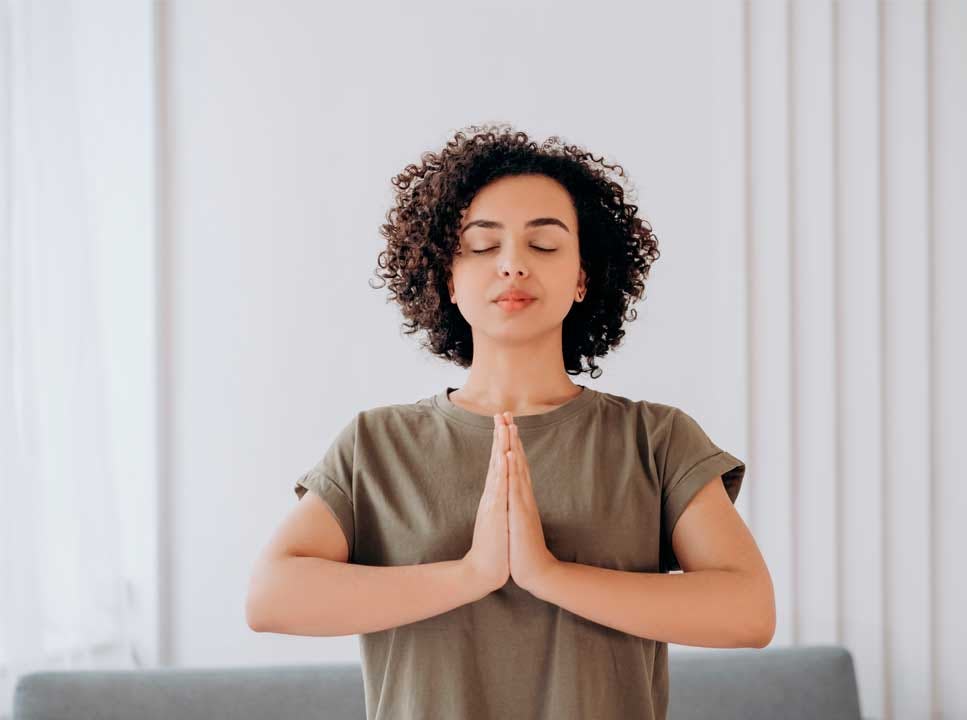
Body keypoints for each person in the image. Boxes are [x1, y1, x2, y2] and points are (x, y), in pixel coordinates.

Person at [246, 123, 774, 720]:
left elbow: (749, 611)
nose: (513, 265)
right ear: (448, 276)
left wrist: (547, 574)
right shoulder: (377, 444)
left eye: (544, 246)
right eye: (483, 245)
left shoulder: (655, 440)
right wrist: (473, 574)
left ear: (582, 278)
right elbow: (270, 598)